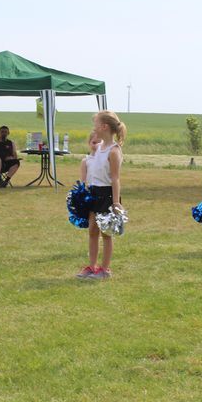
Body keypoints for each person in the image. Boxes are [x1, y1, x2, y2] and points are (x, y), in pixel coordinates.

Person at [76, 111, 126, 280]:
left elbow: (115, 178)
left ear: (104, 127)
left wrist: (116, 202)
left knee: (106, 234)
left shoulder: (114, 151)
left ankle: (105, 270)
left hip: (107, 195)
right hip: (94, 193)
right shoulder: (99, 147)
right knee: (92, 231)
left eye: (95, 124)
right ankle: (92, 266)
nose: (94, 128)